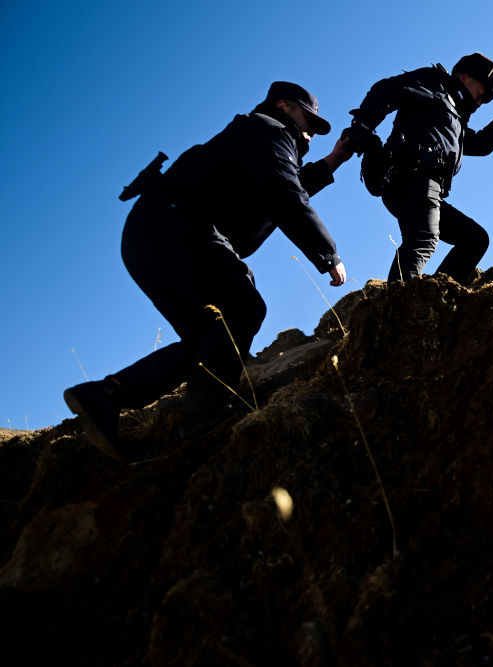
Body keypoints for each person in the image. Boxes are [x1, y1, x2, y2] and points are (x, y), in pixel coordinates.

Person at [64, 81, 353, 459]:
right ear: (283, 106)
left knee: (210, 337)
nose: (310, 133)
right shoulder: (268, 131)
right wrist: (327, 254)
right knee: (243, 307)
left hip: (149, 234)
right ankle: (204, 414)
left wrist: (334, 160)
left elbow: (282, 183)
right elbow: (285, 191)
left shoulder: (255, 138)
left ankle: (106, 395)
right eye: (308, 121)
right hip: (179, 228)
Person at [343, 53, 493, 285]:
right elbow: (386, 89)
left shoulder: (454, 120)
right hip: (412, 178)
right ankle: (400, 307)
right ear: (465, 77)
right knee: (422, 239)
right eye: (480, 94)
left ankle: (437, 296)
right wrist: (362, 126)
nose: (478, 103)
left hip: (426, 188)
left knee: (475, 239)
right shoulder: (435, 83)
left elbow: (481, 145)